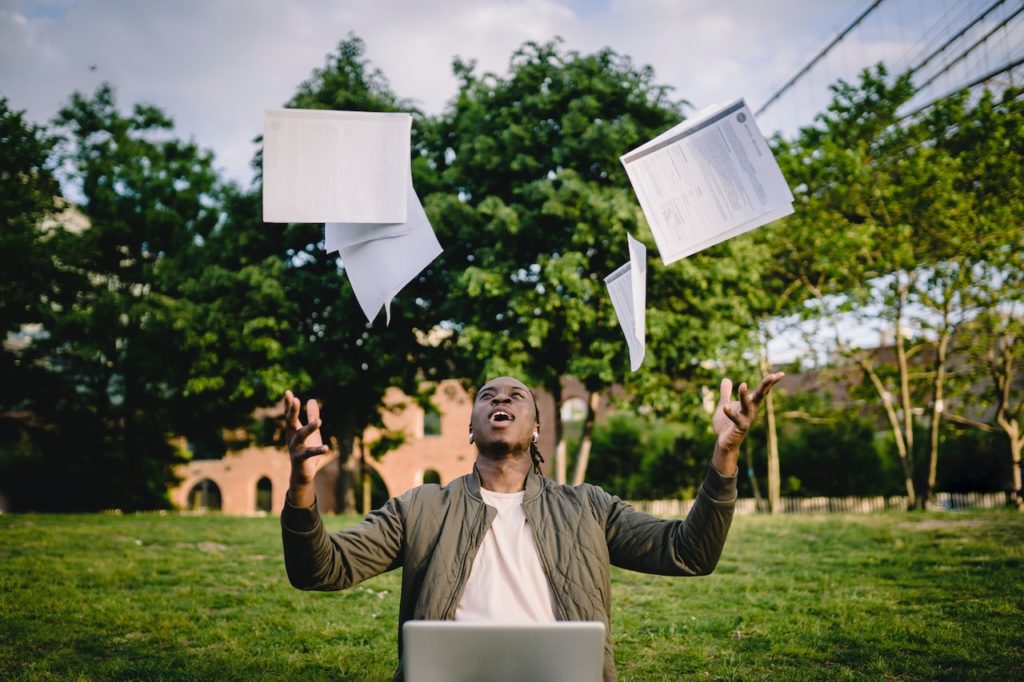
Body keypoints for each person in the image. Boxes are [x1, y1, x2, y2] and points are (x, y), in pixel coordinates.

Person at [281, 373, 783, 681]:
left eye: (516, 395)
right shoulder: (420, 507)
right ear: (472, 426)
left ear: (537, 427)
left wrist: (725, 454)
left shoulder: (588, 507)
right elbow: (320, 570)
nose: (501, 399)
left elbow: (689, 553)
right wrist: (302, 482)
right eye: (487, 396)